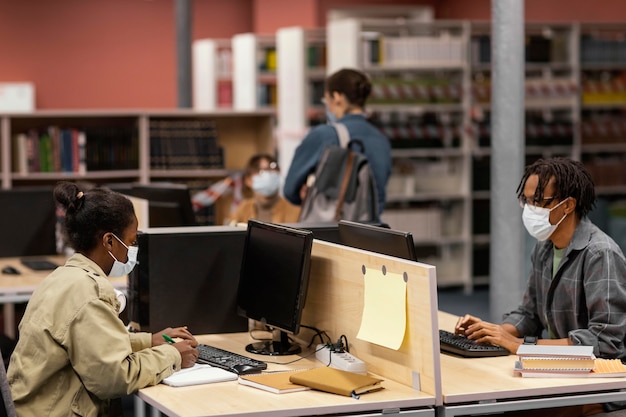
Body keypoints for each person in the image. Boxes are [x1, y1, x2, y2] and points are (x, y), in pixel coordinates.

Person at [7, 181, 199, 416]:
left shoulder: (63, 277)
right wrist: (173, 354)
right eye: (131, 242)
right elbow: (114, 378)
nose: (132, 250)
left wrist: (148, 341)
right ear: (109, 241)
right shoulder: (89, 294)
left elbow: (89, 344)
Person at [455, 157, 626, 417]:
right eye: (526, 201)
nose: (529, 210)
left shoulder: (599, 254)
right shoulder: (545, 247)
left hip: (597, 386)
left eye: (538, 202)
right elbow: (530, 313)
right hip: (558, 374)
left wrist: (522, 345)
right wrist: (491, 333)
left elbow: (605, 343)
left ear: (567, 205)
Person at [283, 68, 391, 220]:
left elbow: (290, 190)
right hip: (371, 233)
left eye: (326, 99)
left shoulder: (324, 135)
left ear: (337, 97)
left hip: (333, 231)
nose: (327, 105)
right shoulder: (380, 139)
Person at [228, 153, 300, 225]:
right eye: (259, 170)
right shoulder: (242, 209)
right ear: (248, 180)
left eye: (271, 169)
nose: (267, 174)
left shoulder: (295, 210)